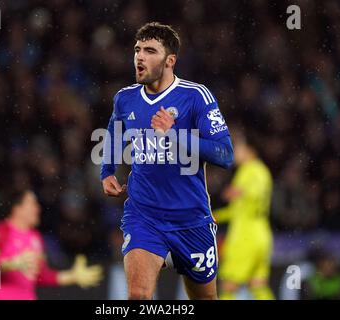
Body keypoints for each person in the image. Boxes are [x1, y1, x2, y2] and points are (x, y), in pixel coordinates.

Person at [101, 22, 233, 300]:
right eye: (137, 50)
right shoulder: (125, 99)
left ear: (170, 60)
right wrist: (107, 170)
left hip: (191, 220)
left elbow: (225, 155)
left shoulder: (196, 96)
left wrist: (174, 134)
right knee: (138, 296)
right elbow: (114, 133)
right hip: (144, 216)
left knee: (205, 298)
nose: (139, 56)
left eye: (150, 50)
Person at [0, 189, 103, 300]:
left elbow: (40, 276)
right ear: (18, 208)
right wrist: (11, 264)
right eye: (33, 204)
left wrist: (71, 276)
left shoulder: (35, 238)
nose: (37, 209)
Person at [213, 131, 274, 300]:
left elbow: (257, 190)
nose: (234, 153)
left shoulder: (251, 170)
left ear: (249, 150)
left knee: (228, 285)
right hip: (262, 233)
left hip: (245, 235)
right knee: (258, 284)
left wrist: (243, 191)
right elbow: (238, 210)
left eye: (237, 148)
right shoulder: (262, 170)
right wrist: (214, 216)